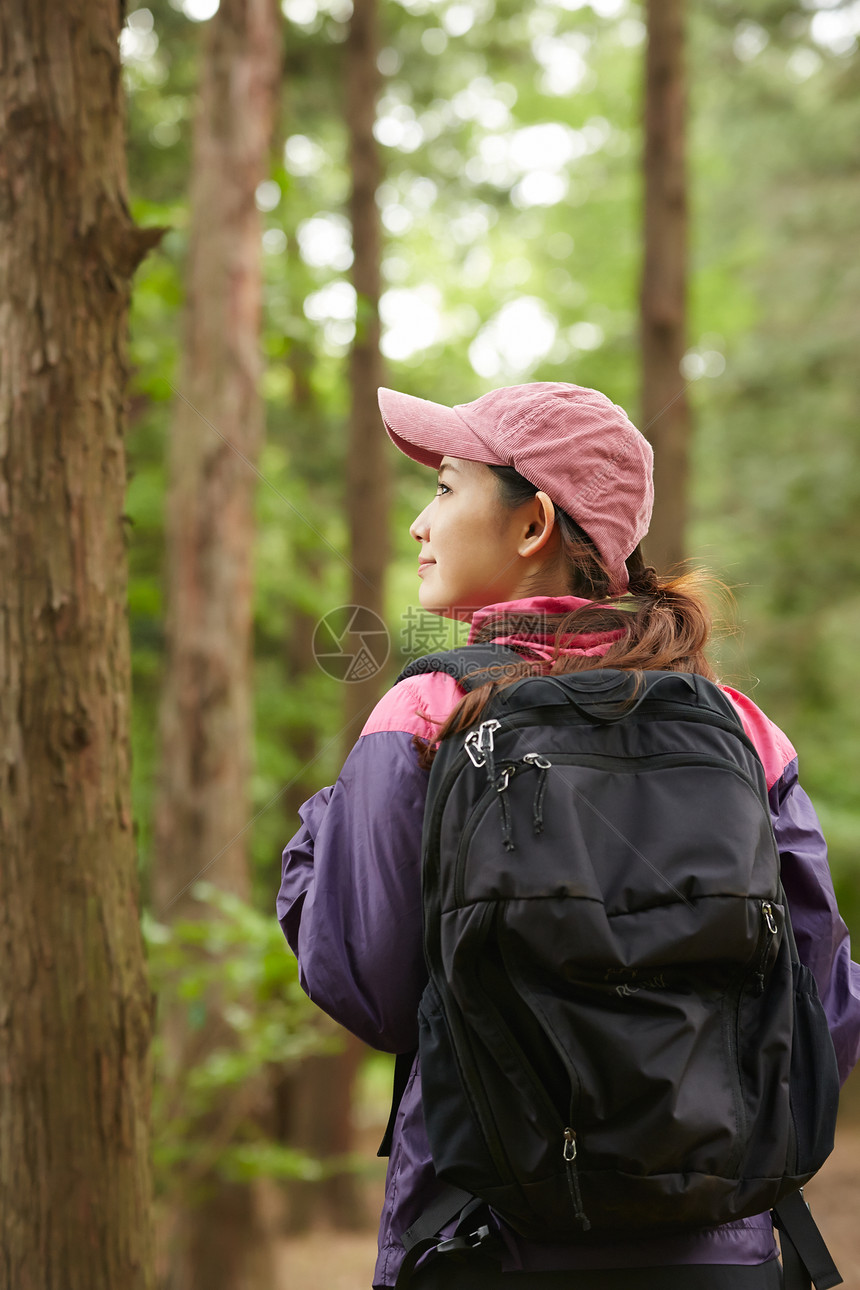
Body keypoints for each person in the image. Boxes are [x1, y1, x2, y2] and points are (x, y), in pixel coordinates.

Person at [277, 382, 860, 1289]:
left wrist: (319, 834)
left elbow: (369, 984)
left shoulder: (427, 713)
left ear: (532, 523)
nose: (417, 526)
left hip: (486, 1242)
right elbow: (823, 1011)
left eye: (446, 487)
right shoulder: (742, 729)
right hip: (720, 1253)